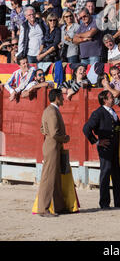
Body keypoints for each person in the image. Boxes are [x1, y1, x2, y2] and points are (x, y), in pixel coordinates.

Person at [83, 89, 120, 210]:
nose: (113, 98)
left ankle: (119, 201)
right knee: (106, 173)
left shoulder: (112, 111)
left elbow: (113, 127)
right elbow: (86, 128)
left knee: (117, 174)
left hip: (115, 147)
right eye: (111, 97)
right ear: (105, 100)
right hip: (105, 147)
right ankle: (104, 203)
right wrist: (97, 141)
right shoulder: (98, 113)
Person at [37, 88, 70, 217]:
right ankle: (43, 209)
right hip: (53, 147)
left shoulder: (49, 110)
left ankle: (59, 206)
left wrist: (48, 133)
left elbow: (42, 129)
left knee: (55, 178)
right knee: (48, 178)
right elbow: (55, 133)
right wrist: (65, 138)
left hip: (52, 146)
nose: (63, 99)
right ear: (56, 98)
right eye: (61, 96)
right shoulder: (52, 112)